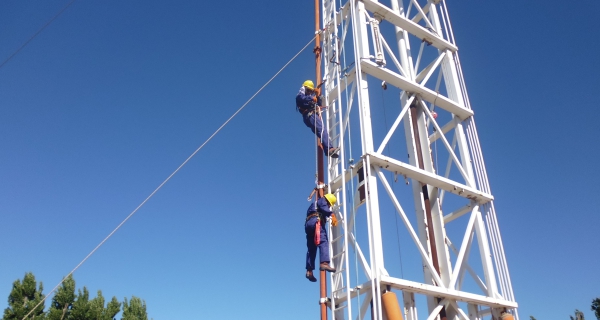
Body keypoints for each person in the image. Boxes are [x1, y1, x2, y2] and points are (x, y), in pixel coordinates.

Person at [296, 80, 339, 158]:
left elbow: (318, 104)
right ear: (304, 88)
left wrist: (317, 96)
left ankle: (327, 150)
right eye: (308, 90)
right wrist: (312, 97)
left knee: (321, 132)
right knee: (322, 129)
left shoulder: (309, 97)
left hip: (311, 116)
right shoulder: (300, 96)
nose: (309, 92)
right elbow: (302, 98)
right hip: (309, 115)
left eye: (310, 91)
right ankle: (329, 148)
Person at [305, 193, 339, 282]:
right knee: (323, 242)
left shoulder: (314, 204)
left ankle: (309, 270)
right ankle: (324, 263)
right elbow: (323, 206)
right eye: (329, 204)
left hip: (309, 224)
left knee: (311, 249)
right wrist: (331, 215)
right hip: (316, 222)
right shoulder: (322, 200)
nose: (328, 206)